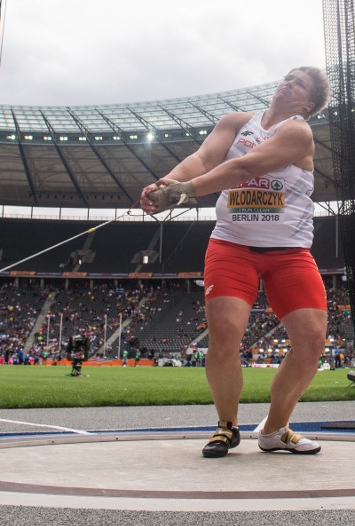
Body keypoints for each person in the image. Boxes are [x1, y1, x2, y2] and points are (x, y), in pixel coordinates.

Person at [140, 66, 331, 458]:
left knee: (311, 341)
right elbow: (204, 157)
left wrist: (184, 192)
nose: (287, 83)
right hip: (233, 244)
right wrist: (166, 184)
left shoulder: (298, 132)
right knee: (225, 333)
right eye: (287, 76)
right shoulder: (236, 122)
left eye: (299, 83)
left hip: (288, 251)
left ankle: (276, 429)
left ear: (308, 103)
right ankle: (227, 426)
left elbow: (245, 168)